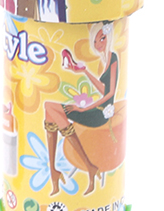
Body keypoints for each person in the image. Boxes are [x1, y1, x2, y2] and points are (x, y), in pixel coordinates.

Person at [43, 21, 119, 195]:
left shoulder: (113, 57)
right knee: (50, 111)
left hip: (100, 114)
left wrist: (83, 109)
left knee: (51, 108)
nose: (98, 44)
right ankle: (55, 170)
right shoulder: (106, 59)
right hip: (97, 110)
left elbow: (110, 94)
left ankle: (85, 167)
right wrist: (84, 71)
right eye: (95, 41)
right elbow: (103, 89)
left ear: (109, 36)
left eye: (102, 38)